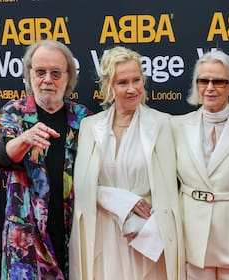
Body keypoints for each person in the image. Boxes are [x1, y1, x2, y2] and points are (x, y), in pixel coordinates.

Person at [69, 46, 185, 280]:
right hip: (103, 234)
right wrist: (121, 201)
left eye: (137, 80)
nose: (132, 89)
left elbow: (174, 188)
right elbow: (83, 186)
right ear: (109, 86)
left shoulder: (164, 124)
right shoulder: (91, 126)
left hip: (146, 231)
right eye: (123, 82)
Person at [0, 39, 92, 279]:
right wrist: (25, 139)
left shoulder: (83, 118)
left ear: (68, 78)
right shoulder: (15, 112)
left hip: (72, 232)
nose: (47, 79)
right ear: (29, 75)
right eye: (40, 72)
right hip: (26, 240)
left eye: (56, 73)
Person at [171, 50, 229, 279]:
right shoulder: (175, 126)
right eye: (204, 80)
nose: (210, 87)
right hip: (190, 244)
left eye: (219, 81)